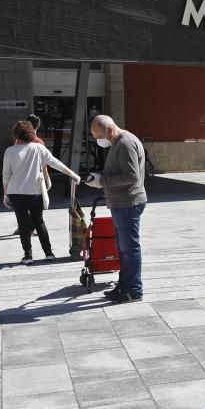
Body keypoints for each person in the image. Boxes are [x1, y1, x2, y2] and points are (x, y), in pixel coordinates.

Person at [85, 114, 147, 303]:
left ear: (108, 129)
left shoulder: (125, 143)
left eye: (98, 136)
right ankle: (124, 285)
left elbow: (131, 176)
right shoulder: (118, 142)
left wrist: (102, 181)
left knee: (129, 249)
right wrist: (101, 177)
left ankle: (134, 290)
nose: (98, 140)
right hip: (122, 203)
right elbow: (119, 172)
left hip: (128, 203)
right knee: (123, 249)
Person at [2, 120, 81, 265]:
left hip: (16, 193)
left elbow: (6, 175)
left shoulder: (10, 151)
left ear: (16, 134)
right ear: (31, 132)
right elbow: (55, 163)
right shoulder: (39, 148)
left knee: (23, 224)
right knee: (39, 221)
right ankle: (49, 253)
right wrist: (73, 175)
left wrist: (6, 194)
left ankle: (28, 256)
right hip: (35, 193)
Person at [12, 114, 46, 236]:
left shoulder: (17, 142)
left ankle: (24, 227)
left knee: (23, 206)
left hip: (20, 178)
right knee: (35, 206)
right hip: (35, 179)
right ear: (37, 126)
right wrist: (46, 178)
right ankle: (31, 227)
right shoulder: (39, 142)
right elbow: (44, 163)